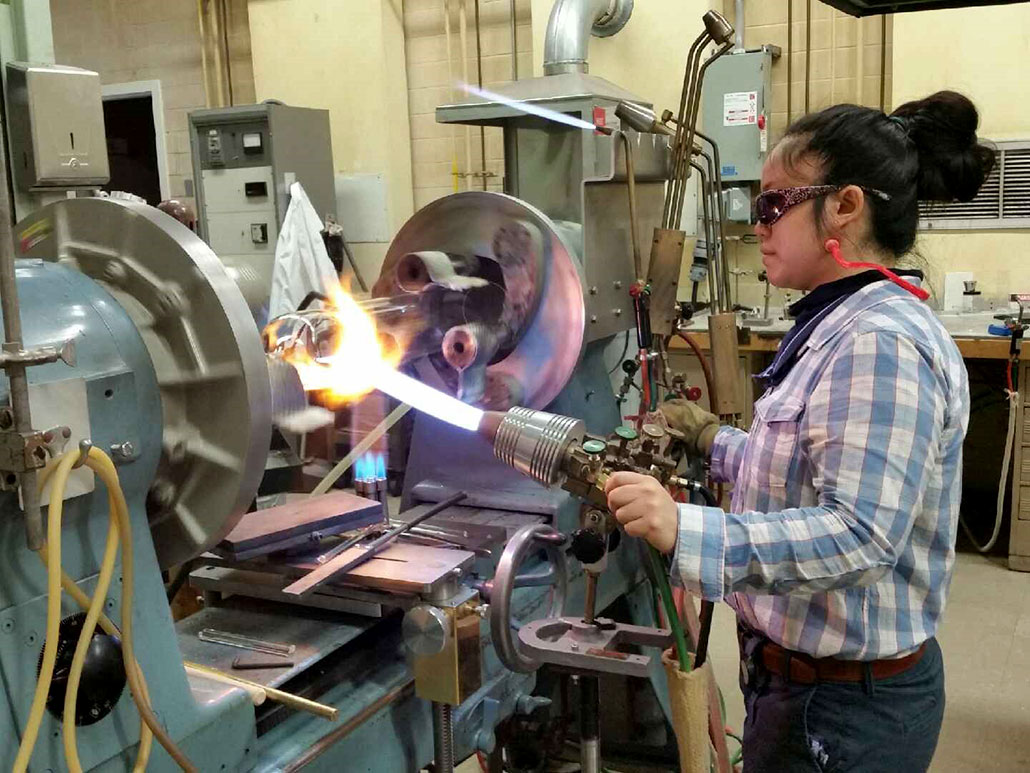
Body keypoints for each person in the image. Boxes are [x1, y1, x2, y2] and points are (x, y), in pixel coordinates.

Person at [605, 91, 995, 772]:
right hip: (800, 686)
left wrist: (684, 528)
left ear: (844, 205)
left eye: (773, 205)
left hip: (843, 713)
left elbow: (860, 536)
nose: (758, 225)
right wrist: (712, 441)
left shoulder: (878, 340)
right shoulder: (841, 320)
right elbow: (807, 471)